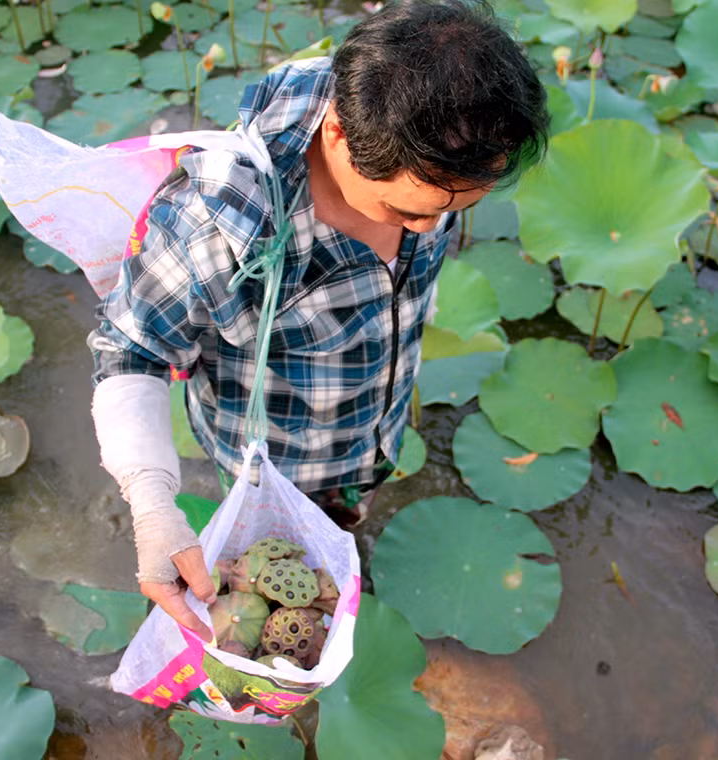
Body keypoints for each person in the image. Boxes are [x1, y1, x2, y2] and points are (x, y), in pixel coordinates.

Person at [89, 0, 549, 638]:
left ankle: (349, 513)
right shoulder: (215, 224)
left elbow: (430, 203)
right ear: (338, 133)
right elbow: (128, 349)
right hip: (274, 457)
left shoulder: (436, 136)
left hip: (372, 429)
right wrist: (150, 501)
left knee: (343, 528)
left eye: (454, 210)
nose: (431, 227)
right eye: (407, 212)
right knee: (276, 578)